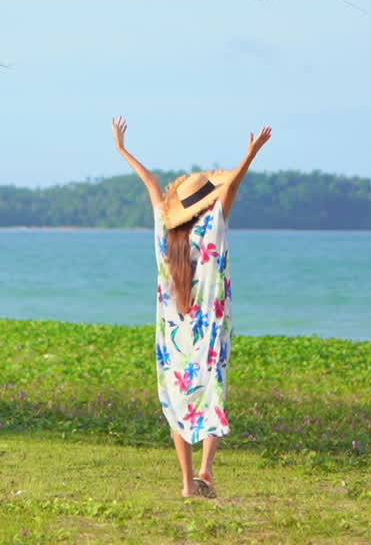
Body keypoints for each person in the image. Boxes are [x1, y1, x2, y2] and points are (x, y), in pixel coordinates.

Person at [112, 116, 272, 498]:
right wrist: (251, 153)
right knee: (212, 394)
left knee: (178, 400)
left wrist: (123, 150)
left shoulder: (164, 233)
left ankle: (187, 484)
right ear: (207, 204)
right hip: (210, 329)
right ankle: (207, 472)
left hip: (173, 333)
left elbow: (151, 184)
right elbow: (232, 185)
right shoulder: (214, 225)